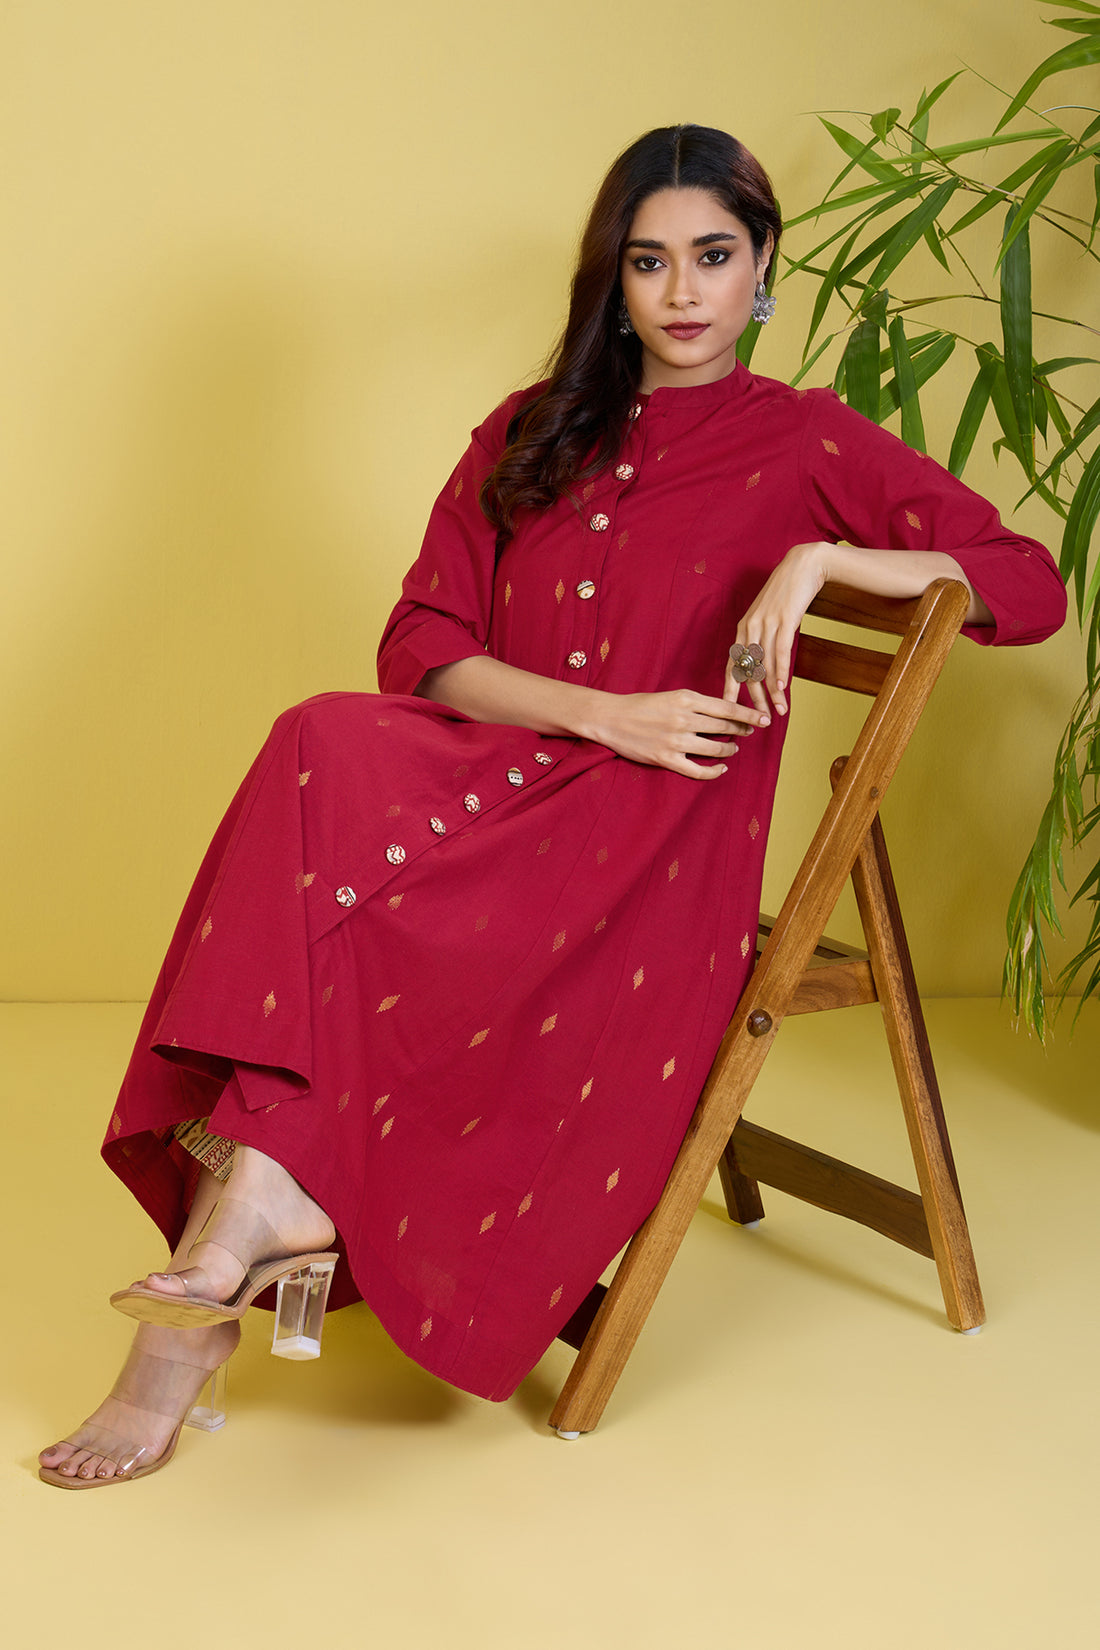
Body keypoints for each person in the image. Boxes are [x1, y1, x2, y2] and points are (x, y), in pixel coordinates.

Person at [39, 124, 1066, 1487]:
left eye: (714, 256)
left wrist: (823, 560)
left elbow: (1029, 581)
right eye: (650, 261)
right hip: (505, 778)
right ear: (613, 278)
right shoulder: (533, 428)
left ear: (764, 265)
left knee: (341, 889)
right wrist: (600, 709)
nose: (683, 291)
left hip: (651, 844)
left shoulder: (806, 439)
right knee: (322, 744)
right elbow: (421, 645)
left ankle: (204, 1293)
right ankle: (249, 1226)